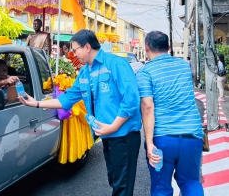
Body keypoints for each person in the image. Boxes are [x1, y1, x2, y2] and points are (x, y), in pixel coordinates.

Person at [19, 29, 142, 196]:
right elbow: (68, 98)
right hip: (107, 135)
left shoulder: (116, 64)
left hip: (123, 136)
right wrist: (37, 103)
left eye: (75, 49)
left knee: (122, 186)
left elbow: (131, 100)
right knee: (115, 180)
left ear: (87, 47)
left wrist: (113, 127)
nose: (74, 54)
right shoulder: (85, 72)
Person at [136, 31, 204, 196]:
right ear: (168, 47)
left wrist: (150, 143)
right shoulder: (184, 66)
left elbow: (147, 106)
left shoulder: (145, 72)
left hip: (163, 140)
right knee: (191, 182)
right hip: (192, 136)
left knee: (161, 187)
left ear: (146, 48)